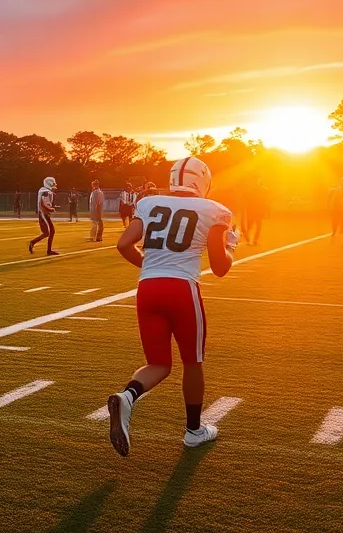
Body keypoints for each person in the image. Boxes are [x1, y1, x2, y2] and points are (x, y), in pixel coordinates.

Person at [106, 156, 238, 456]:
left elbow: (124, 244)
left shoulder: (150, 203)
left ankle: (127, 396)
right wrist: (230, 246)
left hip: (148, 287)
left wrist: (151, 265)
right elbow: (219, 267)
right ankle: (194, 431)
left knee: (159, 364)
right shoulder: (214, 210)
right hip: (181, 290)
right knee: (192, 361)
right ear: (202, 181)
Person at [28, 176, 59, 256]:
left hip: (44, 214)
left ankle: (48, 250)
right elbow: (43, 203)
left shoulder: (44, 190)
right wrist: (50, 209)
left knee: (50, 232)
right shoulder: (46, 192)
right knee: (48, 232)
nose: (54, 186)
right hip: (43, 214)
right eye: (52, 184)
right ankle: (34, 243)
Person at [243, 177, 269, 246]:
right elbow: (264, 203)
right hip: (254, 211)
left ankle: (253, 240)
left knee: (255, 226)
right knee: (253, 226)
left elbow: (264, 203)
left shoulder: (259, 191)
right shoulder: (257, 191)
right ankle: (252, 240)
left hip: (256, 211)